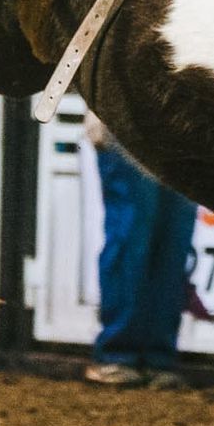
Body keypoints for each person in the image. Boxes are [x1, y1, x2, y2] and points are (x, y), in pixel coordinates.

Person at [82, 112, 197, 388]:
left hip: (183, 131)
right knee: (132, 237)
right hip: (129, 122)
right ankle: (119, 352)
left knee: (171, 244)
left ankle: (155, 355)